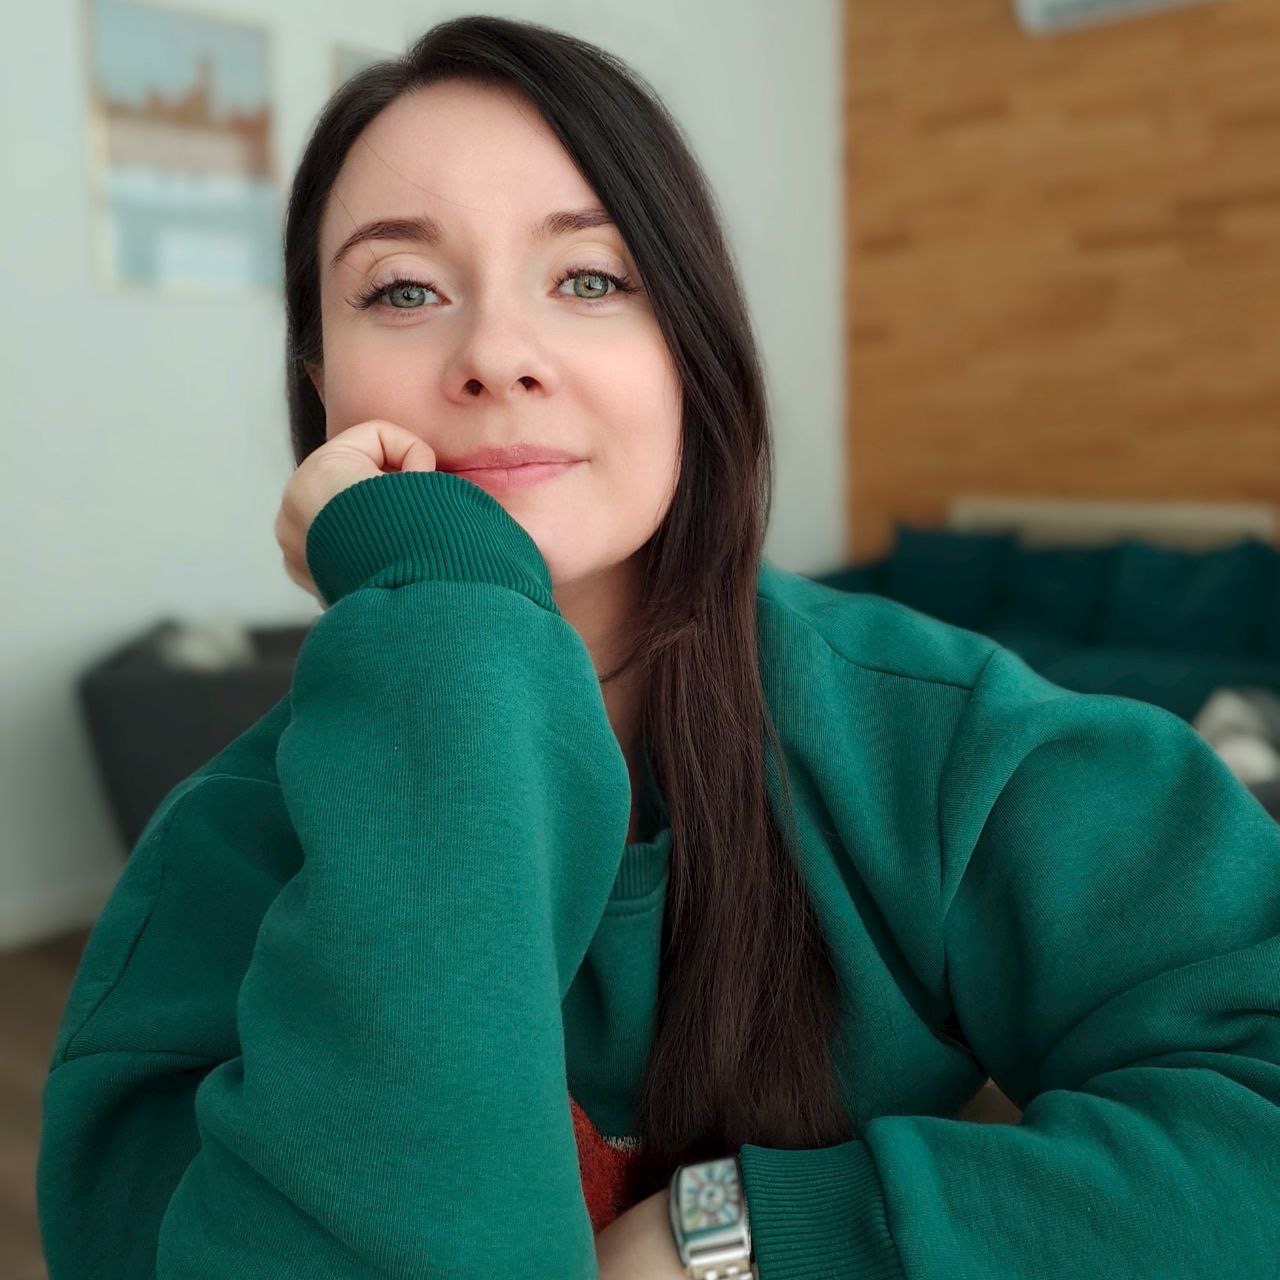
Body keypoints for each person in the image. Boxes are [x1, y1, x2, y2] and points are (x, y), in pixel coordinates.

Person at [36, 13, 1280, 1280]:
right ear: (322, 378)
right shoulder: (221, 860)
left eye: (588, 279)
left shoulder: (938, 739)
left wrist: (741, 1238)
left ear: (689, 344)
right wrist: (441, 603)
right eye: (402, 290)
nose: (496, 357)